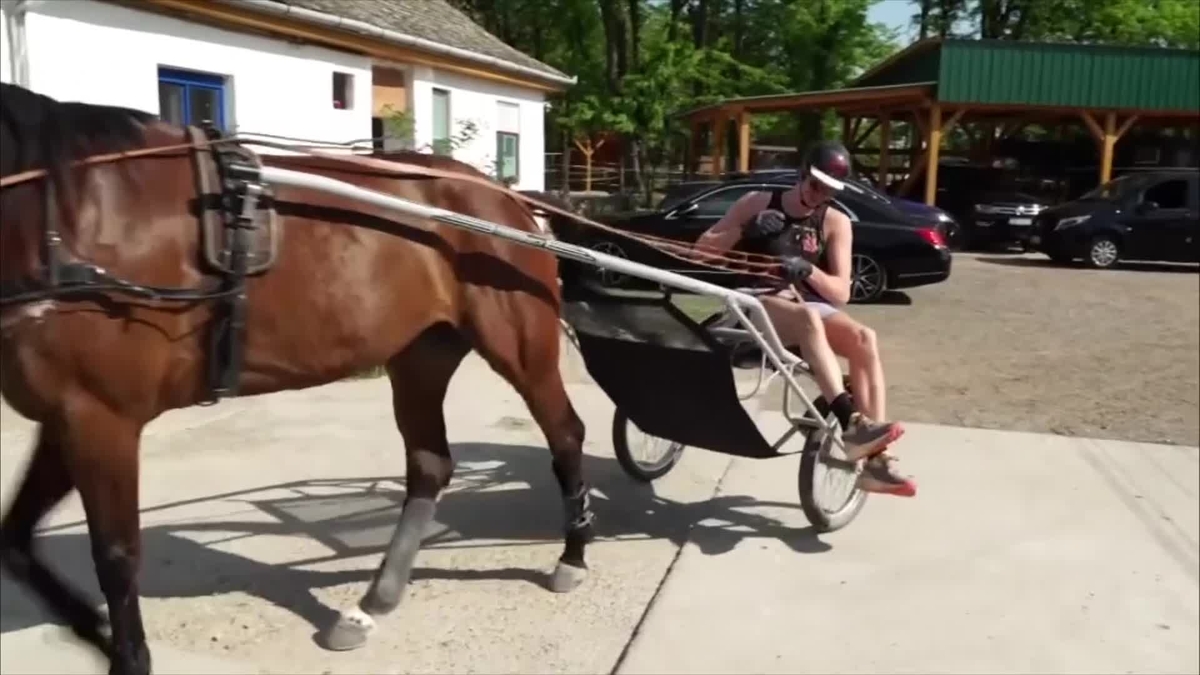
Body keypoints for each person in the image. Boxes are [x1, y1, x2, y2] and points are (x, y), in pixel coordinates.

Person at [694, 140, 916, 497]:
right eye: (815, 185)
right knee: (809, 320)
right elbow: (700, 252)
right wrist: (744, 230)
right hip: (756, 301)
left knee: (865, 339)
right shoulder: (757, 201)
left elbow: (841, 293)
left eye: (828, 190)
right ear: (801, 175)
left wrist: (808, 270)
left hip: (803, 302)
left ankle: (877, 460)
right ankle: (851, 422)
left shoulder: (835, 222)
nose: (819, 195)